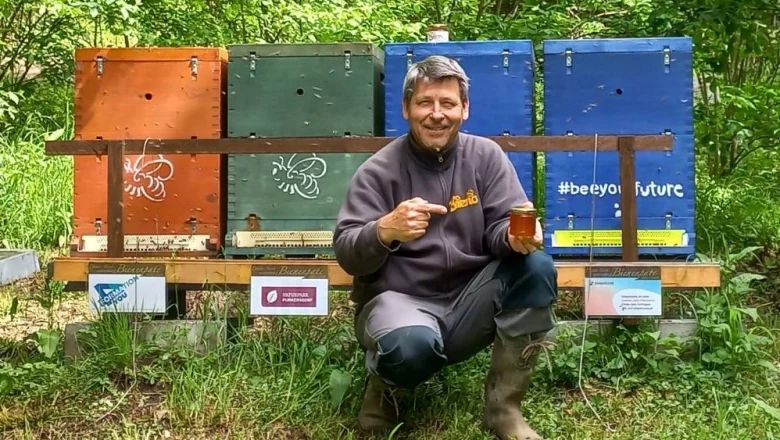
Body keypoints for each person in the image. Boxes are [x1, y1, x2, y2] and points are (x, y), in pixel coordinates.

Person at [333, 55, 558, 440]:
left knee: (536, 267)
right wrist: (385, 230)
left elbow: (500, 226)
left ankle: (504, 410)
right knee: (410, 346)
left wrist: (514, 236)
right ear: (406, 108)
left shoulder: (486, 157)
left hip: (470, 302)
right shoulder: (378, 171)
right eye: (425, 102)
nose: (436, 114)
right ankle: (383, 397)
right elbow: (347, 252)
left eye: (448, 103)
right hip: (400, 302)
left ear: (464, 108)